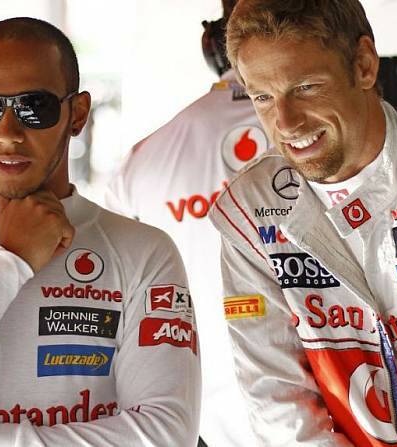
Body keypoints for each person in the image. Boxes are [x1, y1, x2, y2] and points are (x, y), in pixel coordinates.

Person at [208, 1, 397, 446]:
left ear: (364, 65)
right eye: (263, 98)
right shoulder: (248, 211)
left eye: (306, 87)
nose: (285, 122)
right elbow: (278, 403)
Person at [0, 17, 200, 447]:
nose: (7, 134)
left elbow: (166, 435)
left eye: (34, 107)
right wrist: (11, 260)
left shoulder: (145, 252)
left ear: (77, 114)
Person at [105, 2, 262, 446]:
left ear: (212, 44)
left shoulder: (143, 161)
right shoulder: (326, 133)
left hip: (200, 413)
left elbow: (118, 300)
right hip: (331, 400)